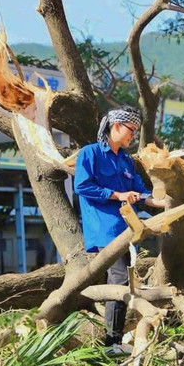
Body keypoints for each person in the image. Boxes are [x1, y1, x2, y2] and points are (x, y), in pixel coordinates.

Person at [74, 107, 164, 352]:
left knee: (126, 279)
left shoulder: (125, 159)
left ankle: (117, 337)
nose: (132, 136)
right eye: (131, 131)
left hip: (128, 228)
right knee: (119, 278)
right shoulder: (89, 153)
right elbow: (82, 186)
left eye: (135, 132)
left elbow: (139, 190)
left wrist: (159, 202)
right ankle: (111, 342)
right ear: (115, 127)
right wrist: (117, 195)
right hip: (105, 228)